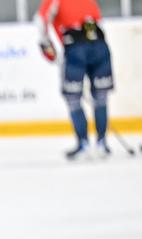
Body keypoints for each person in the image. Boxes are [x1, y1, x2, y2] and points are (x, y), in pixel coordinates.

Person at [37, 0, 115, 159]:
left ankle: (83, 145)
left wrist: (45, 43)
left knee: (73, 98)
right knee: (101, 97)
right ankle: (102, 143)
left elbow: (41, 21)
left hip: (75, 48)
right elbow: (96, 20)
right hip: (100, 45)